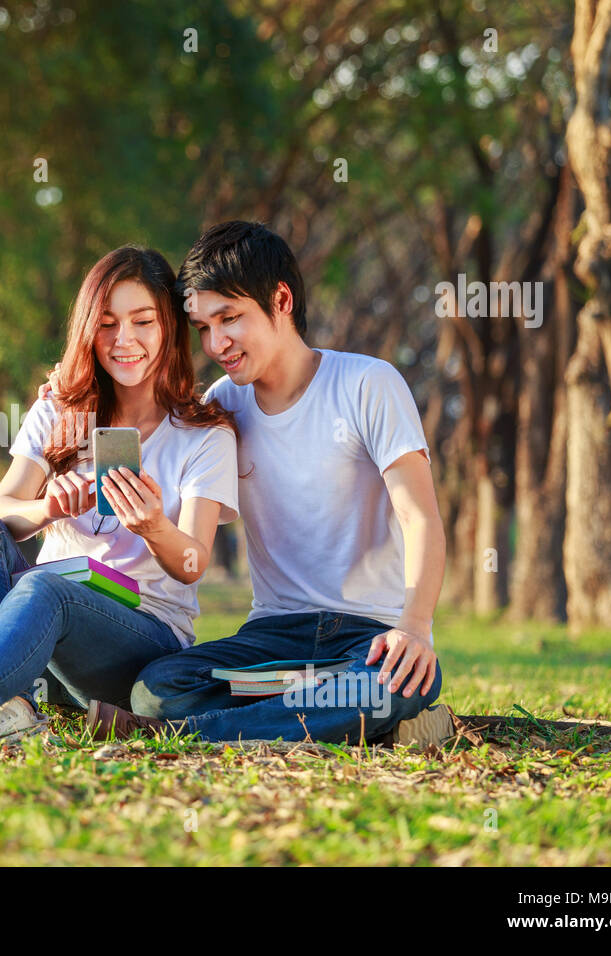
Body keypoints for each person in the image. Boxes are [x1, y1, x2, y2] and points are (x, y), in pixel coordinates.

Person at [76, 222, 454, 747]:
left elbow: (421, 516)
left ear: (280, 299)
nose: (216, 343)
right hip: (271, 635)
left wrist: (414, 627)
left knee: (391, 684)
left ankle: (194, 735)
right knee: (157, 688)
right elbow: (152, 412)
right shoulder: (224, 407)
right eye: (203, 327)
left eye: (229, 318)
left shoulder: (368, 383)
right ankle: (333, 715)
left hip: (367, 636)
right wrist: (74, 387)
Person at [0, 245, 240, 747]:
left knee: (45, 590)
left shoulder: (203, 434)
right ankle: (16, 703)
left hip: (136, 644)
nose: (123, 340)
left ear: (169, 327)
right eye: (106, 323)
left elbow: (193, 562)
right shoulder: (61, 409)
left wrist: (153, 527)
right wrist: (48, 508)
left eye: (143, 321)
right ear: (88, 329)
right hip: (42, 640)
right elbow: (0, 513)